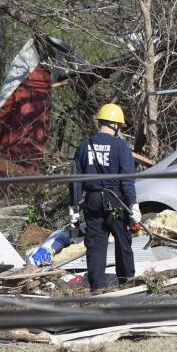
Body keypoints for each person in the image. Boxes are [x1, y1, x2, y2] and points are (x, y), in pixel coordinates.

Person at [70, 103, 140, 292]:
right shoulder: (121, 147)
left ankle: (97, 288)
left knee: (95, 246)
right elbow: (126, 180)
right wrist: (133, 204)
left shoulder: (84, 147)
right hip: (116, 201)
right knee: (123, 243)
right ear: (116, 125)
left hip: (92, 202)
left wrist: (74, 211)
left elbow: (75, 182)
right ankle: (127, 285)